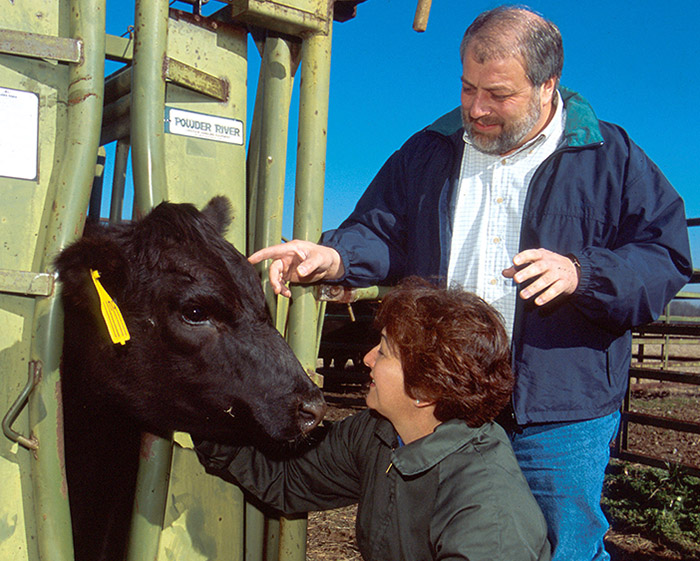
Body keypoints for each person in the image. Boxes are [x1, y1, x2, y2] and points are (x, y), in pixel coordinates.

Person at [247, 6, 693, 561]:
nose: (476, 108)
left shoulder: (610, 158)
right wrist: (334, 255)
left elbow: (665, 255)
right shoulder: (428, 151)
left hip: (556, 410)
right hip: (446, 399)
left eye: (498, 94)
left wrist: (583, 274)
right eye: (467, 87)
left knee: (561, 547)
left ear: (547, 84)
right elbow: (382, 231)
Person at [196, 279, 551, 561]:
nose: (366, 359)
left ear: (426, 388)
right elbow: (288, 478)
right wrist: (204, 417)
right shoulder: (380, 433)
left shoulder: (488, 513)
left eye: (383, 351)